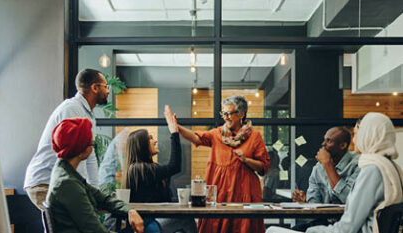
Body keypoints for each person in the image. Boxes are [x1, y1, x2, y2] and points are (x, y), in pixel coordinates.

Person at [266, 112, 403, 233]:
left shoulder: (372, 170)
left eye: (356, 134)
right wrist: (305, 202)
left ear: (369, 135)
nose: (354, 140)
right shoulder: (391, 168)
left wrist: (313, 231)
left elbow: (347, 228)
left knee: (272, 230)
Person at [165, 95, 270, 233]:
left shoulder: (254, 136)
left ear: (241, 114)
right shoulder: (217, 134)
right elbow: (196, 137)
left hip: (244, 193)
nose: (225, 117)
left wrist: (246, 160)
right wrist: (176, 127)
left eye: (229, 113)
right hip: (220, 193)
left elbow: (263, 167)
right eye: (223, 113)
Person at [24, 68, 109, 209]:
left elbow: (90, 156)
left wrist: (95, 192)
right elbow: (71, 153)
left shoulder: (88, 115)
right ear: (95, 87)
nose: (107, 91)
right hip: (46, 182)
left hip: (57, 183)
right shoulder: (72, 109)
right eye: (106, 87)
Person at [46, 118, 144, 233]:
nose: (93, 147)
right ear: (83, 150)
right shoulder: (68, 184)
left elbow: (104, 199)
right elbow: (95, 230)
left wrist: (130, 210)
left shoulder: (65, 172)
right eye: (92, 143)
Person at [122, 106, 182, 232]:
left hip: (155, 221)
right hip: (147, 224)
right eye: (150, 138)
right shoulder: (138, 169)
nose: (155, 141)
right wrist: (174, 133)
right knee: (186, 220)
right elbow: (174, 166)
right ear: (141, 145)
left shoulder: (148, 169)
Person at [291, 127, 360, 230]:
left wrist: (328, 165)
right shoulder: (318, 168)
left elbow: (349, 199)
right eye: (324, 140)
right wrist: (304, 202)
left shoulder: (357, 164)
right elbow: (314, 208)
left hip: (348, 224)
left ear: (343, 145)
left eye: (329, 141)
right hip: (323, 224)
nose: (323, 144)